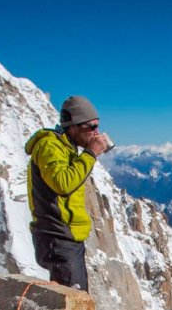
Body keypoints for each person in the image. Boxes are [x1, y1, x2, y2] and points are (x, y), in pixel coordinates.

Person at [24, 95, 112, 291]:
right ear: (73, 125)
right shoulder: (50, 146)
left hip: (68, 237)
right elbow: (62, 183)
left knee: (77, 299)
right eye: (90, 127)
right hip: (58, 236)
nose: (95, 132)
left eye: (97, 126)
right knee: (73, 301)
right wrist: (90, 154)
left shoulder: (67, 149)